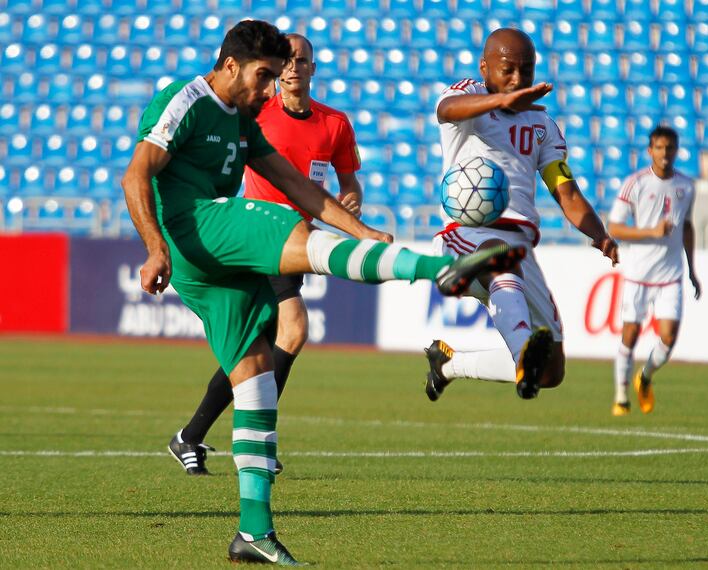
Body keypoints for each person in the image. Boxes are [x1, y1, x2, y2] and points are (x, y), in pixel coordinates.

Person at [123, 20, 523, 564]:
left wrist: (364, 231)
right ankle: (441, 268)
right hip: (195, 225)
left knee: (257, 373)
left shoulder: (244, 118)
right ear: (231, 65)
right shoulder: (186, 100)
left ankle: (253, 531)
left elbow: (297, 185)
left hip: (206, 265)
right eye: (264, 76)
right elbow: (136, 175)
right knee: (303, 241)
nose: (270, 89)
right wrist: (154, 246)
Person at [168, 33, 364, 477]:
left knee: (252, 350)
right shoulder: (256, 114)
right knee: (293, 331)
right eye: (287, 61)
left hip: (300, 244)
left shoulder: (335, 124)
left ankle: (192, 435)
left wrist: (351, 203)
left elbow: (348, 182)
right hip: (259, 241)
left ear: (314, 67)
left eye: (303, 60)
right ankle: (255, 436)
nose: (294, 68)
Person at [424, 28, 619, 402]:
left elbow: (565, 189)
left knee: (550, 372)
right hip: (467, 233)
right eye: (507, 70)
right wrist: (503, 99)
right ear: (485, 68)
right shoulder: (469, 93)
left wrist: (599, 234)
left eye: (525, 72)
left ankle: (448, 366)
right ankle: (519, 343)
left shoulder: (542, 126)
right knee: (500, 257)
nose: (517, 79)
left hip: (518, 245)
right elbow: (445, 110)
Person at [607, 126, 701, 416]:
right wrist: (652, 231)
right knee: (630, 336)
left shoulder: (686, 186)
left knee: (669, 338)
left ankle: (644, 377)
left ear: (676, 150)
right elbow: (614, 228)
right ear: (650, 151)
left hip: (670, 275)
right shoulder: (635, 184)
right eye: (659, 148)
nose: (664, 154)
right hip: (638, 275)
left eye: (669, 148)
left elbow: (686, 227)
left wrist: (692, 270)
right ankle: (621, 397)